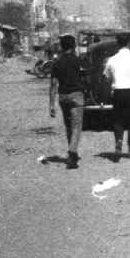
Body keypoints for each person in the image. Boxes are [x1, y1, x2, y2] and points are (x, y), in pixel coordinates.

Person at [103, 33, 130, 158]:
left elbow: (106, 77)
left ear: (117, 44)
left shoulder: (112, 59)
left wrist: (112, 84)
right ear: (129, 43)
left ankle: (119, 141)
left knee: (117, 119)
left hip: (118, 92)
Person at [49, 34, 84, 169]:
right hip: (76, 96)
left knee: (69, 126)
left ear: (62, 47)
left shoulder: (56, 63)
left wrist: (51, 105)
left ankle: (72, 153)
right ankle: (72, 152)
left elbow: (53, 84)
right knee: (76, 126)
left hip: (63, 97)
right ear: (74, 46)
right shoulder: (77, 60)